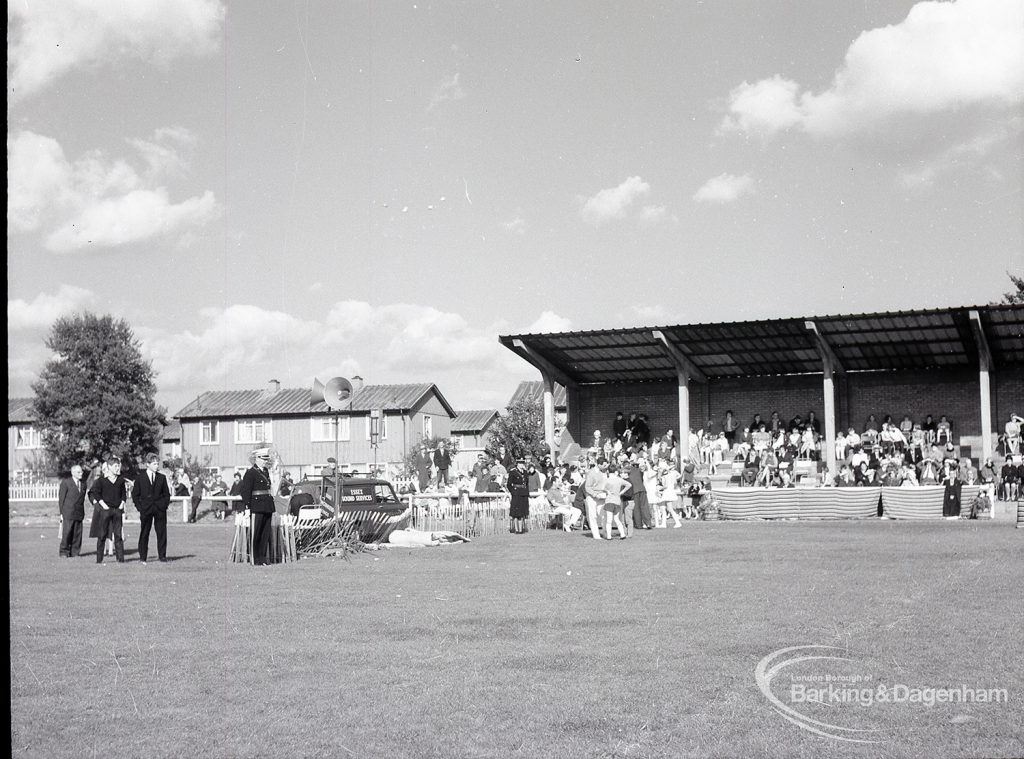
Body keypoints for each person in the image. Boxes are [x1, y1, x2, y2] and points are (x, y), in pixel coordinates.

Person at [132, 453, 171, 564]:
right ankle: (143, 557)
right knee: (144, 533)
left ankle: (162, 556)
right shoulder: (140, 478)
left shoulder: (162, 478)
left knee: (162, 533)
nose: (156, 466)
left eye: (157, 463)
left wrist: (164, 506)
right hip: (146, 509)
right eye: (154, 464)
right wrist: (140, 508)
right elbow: (135, 495)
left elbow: (166, 494)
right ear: (147, 464)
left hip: (159, 510)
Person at [240, 447, 277, 565]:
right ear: (257, 459)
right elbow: (245, 491)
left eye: (266, 459)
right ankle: (254, 558)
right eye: (263, 459)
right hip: (256, 506)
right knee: (255, 534)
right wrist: (247, 507)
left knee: (265, 533)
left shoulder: (265, 471)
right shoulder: (251, 473)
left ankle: (262, 558)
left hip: (267, 505)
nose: (265, 461)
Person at [88, 457, 127, 563]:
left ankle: (120, 559)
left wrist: (122, 503)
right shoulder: (101, 481)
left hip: (117, 510)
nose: (117, 468)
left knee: (118, 535)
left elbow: (124, 493)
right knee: (102, 535)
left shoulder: (120, 480)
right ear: (109, 467)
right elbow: (95, 493)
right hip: (105, 511)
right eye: (115, 466)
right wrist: (103, 504)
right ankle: (99, 559)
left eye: (118, 466)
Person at [57, 463, 87, 557]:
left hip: (79, 512)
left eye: (81, 471)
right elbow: (61, 499)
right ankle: (64, 552)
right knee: (67, 533)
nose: (81, 473)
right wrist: (61, 512)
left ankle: (75, 552)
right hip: (68, 512)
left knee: (77, 534)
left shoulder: (83, 484)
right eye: (79, 472)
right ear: (73, 473)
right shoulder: (66, 483)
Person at [603, 463, 630, 539]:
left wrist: (607, 491)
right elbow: (629, 485)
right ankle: (622, 534)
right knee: (617, 519)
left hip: (609, 501)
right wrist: (621, 492)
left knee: (609, 520)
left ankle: (609, 536)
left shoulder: (607, 480)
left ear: (608, 471)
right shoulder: (619, 480)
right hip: (617, 501)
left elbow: (601, 487)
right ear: (616, 472)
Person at [583, 458, 609, 540]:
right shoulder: (591, 473)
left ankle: (605, 533)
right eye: (604, 465)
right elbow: (587, 487)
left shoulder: (605, 472)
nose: (606, 467)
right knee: (593, 516)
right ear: (599, 464)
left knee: (604, 515)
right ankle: (596, 534)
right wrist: (595, 494)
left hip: (602, 495)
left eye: (606, 465)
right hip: (592, 496)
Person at [507, 458, 530, 534]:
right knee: (516, 512)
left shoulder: (525, 472)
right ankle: (517, 529)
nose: (521, 465)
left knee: (522, 512)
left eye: (522, 463)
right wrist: (513, 491)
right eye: (520, 463)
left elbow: (526, 483)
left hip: (523, 493)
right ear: (517, 464)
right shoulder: (513, 472)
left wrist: (527, 492)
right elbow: (509, 484)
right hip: (516, 493)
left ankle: (521, 529)